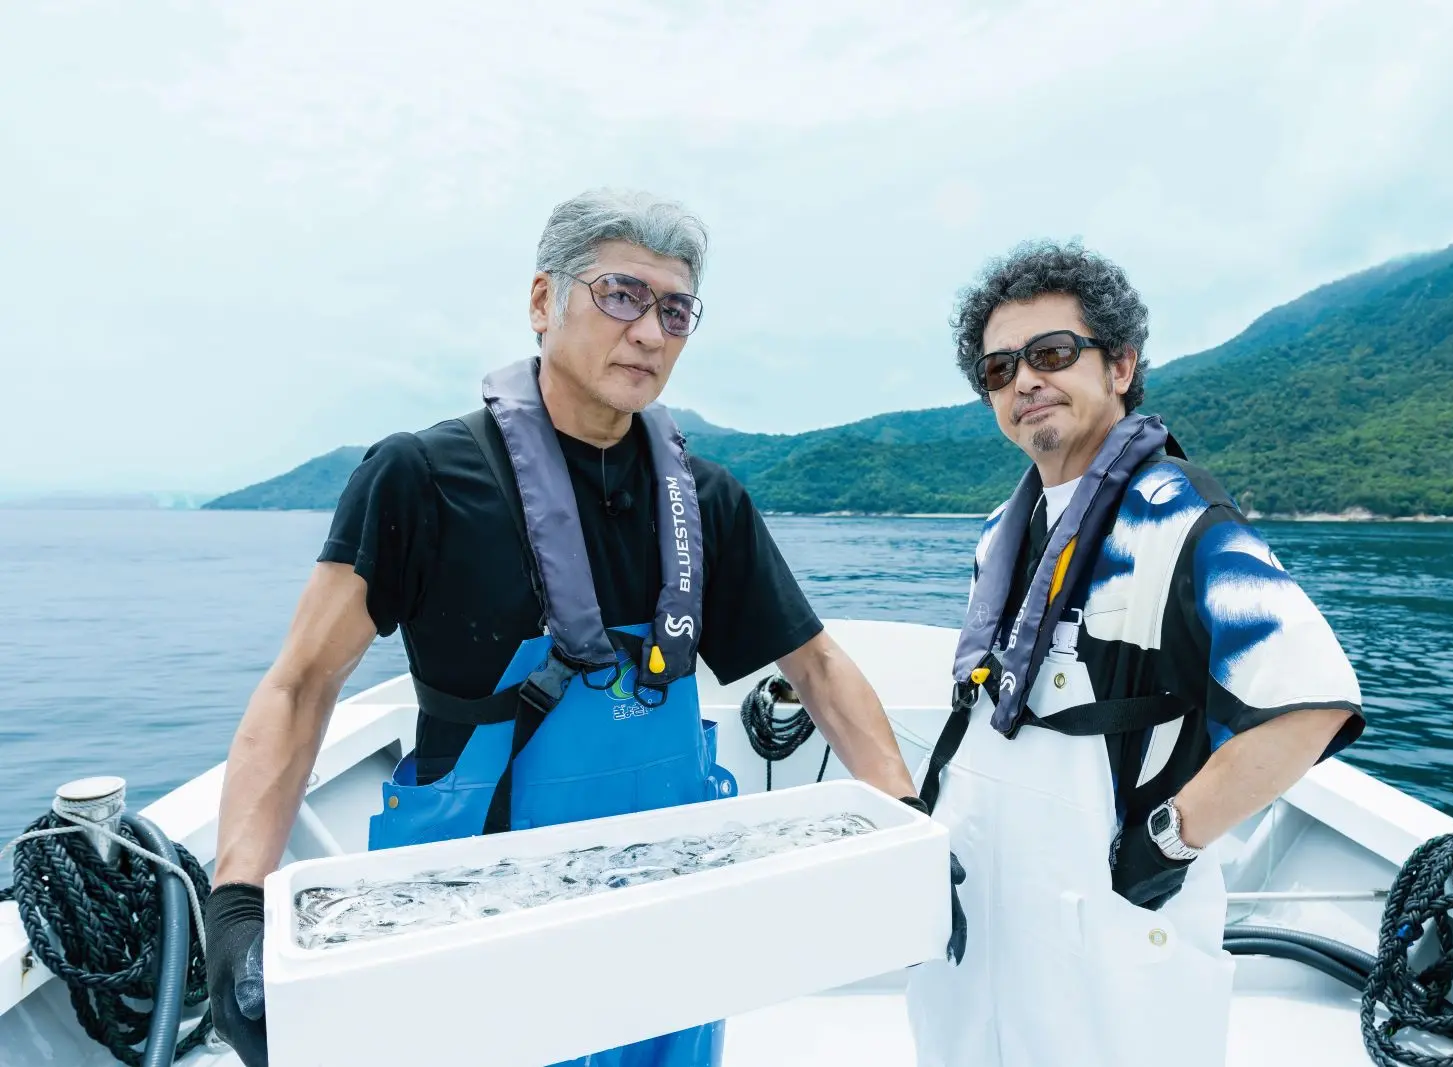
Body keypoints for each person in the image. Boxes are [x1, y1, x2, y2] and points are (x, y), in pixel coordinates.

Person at [200, 189, 941, 1067]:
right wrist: (236, 906)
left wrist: (906, 829)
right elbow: (301, 683)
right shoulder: (420, 478)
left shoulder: (706, 500)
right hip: (475, 920)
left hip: (669, 912)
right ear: (543, 301)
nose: (651, 332)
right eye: (621, 295)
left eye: (675, 310)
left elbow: (815, 666)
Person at [904, 240, 1367, 1067]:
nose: (1024, 381)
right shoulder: (1000, 537)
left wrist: (1162, 846)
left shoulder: (1178, 513)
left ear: (1120, 365)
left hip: (1112, 929)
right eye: (999, 368)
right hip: (991, 913)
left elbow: (1311, 702)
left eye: (1050, 354)